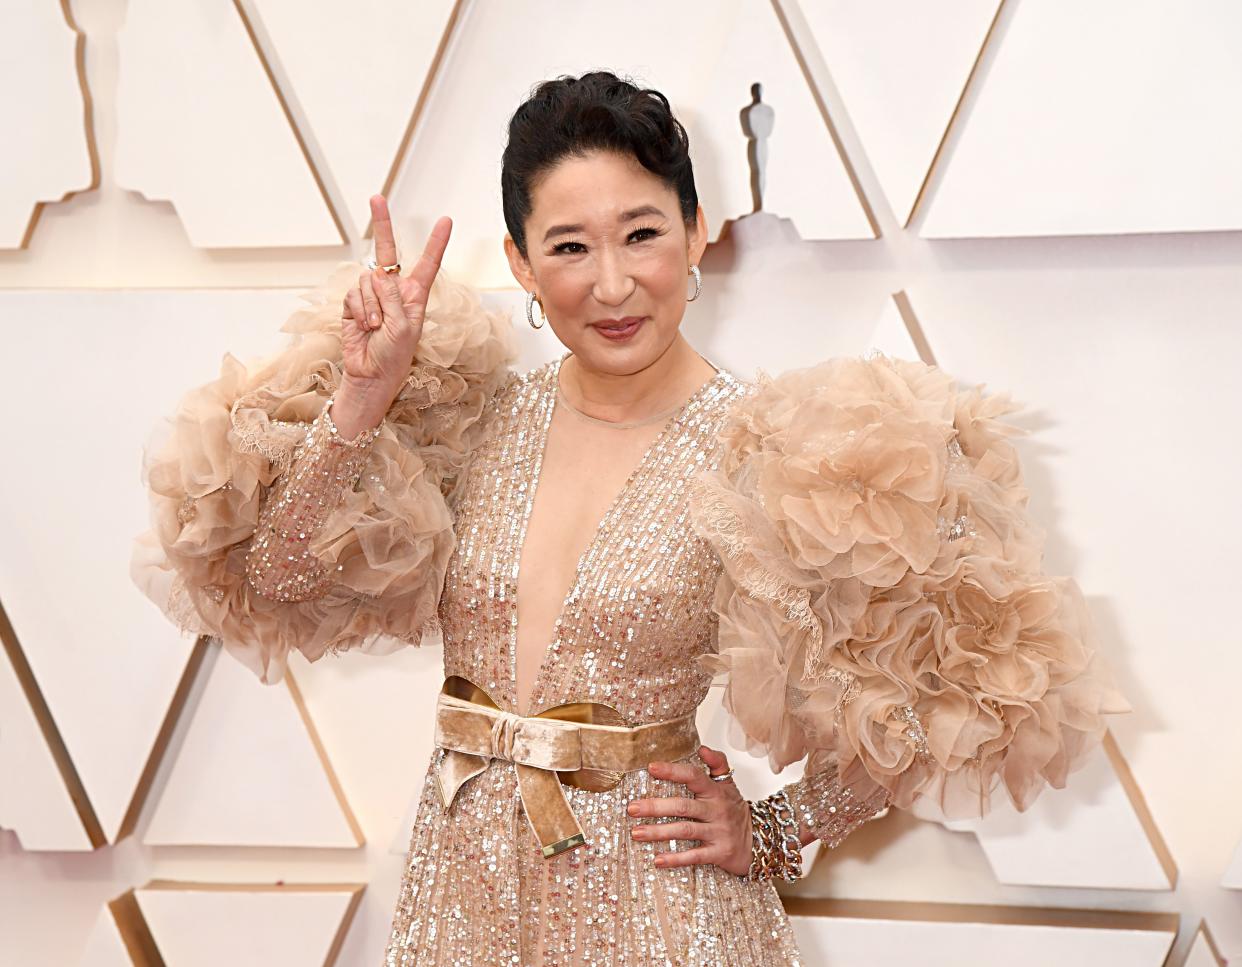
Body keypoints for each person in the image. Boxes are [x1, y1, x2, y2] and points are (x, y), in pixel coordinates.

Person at [132, 71, 1131, 966]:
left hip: (657, 913)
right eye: (570, 246)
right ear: (522, 264)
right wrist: (360, 401)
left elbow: (954, 696)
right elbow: (281, 579)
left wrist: (778, 827)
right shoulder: (472, 423)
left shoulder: (769, 453)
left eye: (642, 233)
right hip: (459, 892)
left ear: (698, 231)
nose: (612, 285)